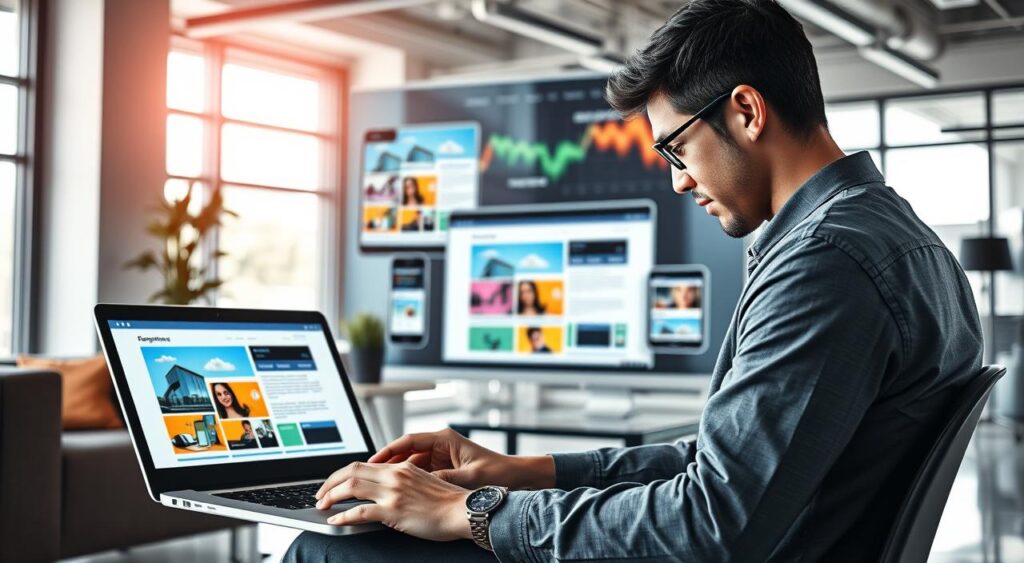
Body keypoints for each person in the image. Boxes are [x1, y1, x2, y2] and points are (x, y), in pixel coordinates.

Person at [287, 1, 982, 561]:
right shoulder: (905, 243)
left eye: (678, 148)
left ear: (746, 109)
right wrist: (520, 472)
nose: (679, 179)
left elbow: (712, 525)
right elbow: (727, 461)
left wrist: (467, 511)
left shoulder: (825, 262)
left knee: (329, 547)